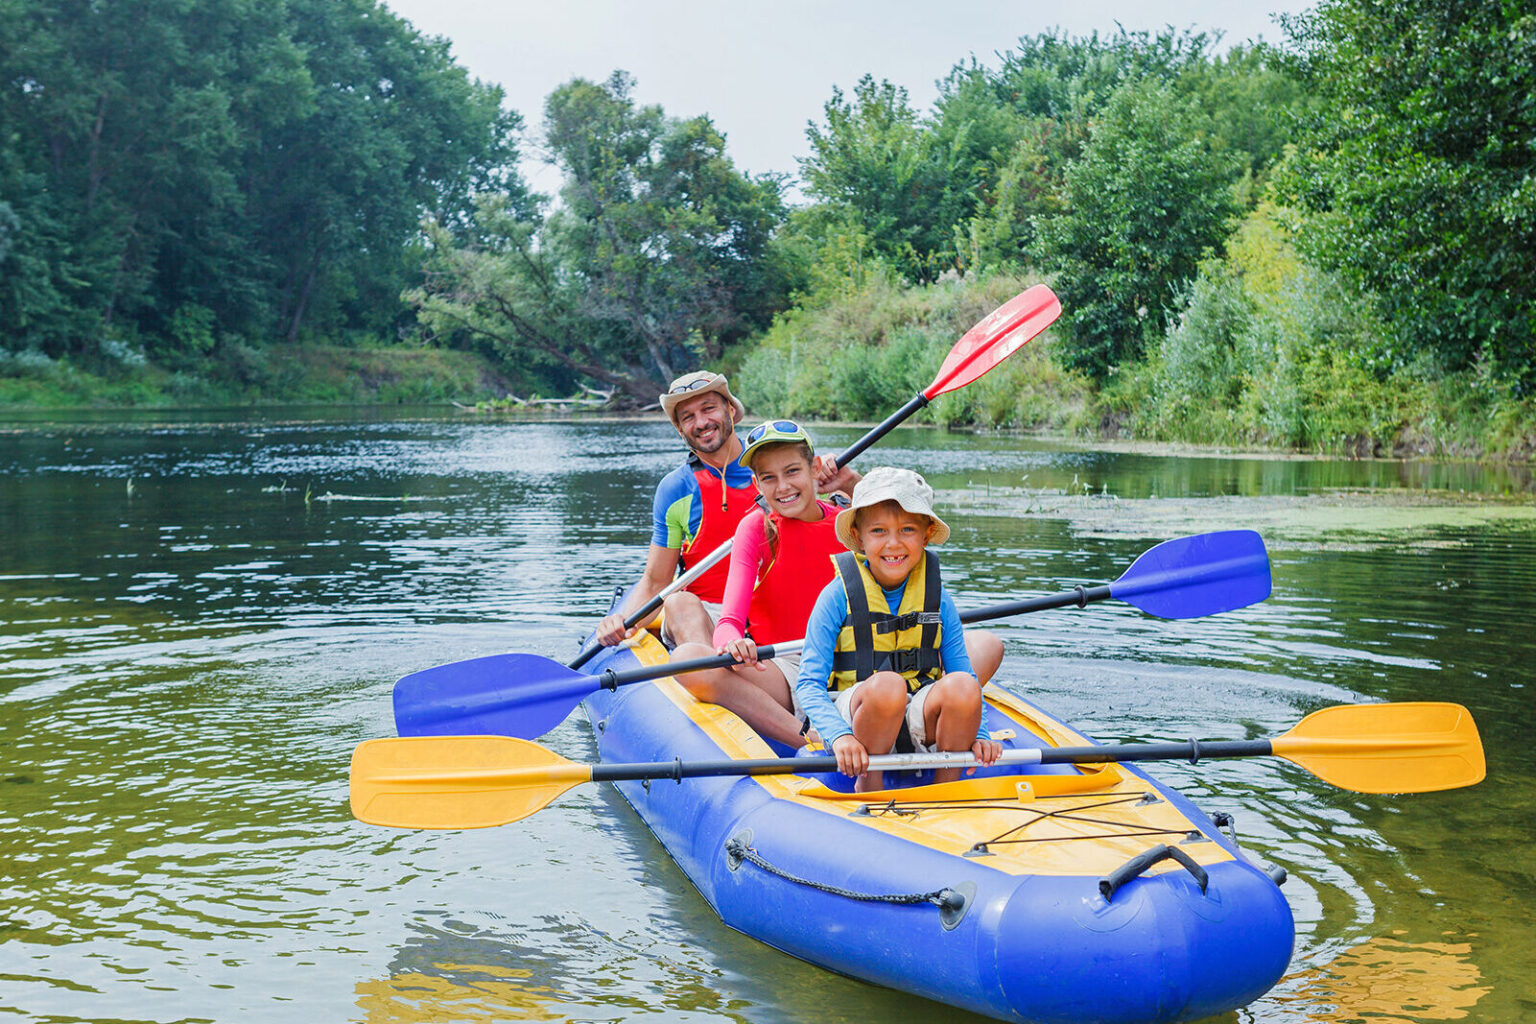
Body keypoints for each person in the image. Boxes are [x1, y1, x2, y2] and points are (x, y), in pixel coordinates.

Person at [594, 371, 854, 651]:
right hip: (709, 612)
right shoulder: (676, 489)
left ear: (730, 410)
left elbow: (856, 523)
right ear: (680, 429)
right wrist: (622, 621)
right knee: (679, 603)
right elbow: (657, 581)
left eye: (708, 408)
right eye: (688, 417)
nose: (701, 423)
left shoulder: (777, 467)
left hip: (779, 609)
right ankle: (711, 669)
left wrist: (850, 483)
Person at [795, 467, 1002, 792]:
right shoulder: (836, 595)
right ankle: (870, 784)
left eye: (907, 530)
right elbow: (809, 684)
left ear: (926, 535)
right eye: (878, 531)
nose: (893, 544)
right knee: (888, 686)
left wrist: (980, 734)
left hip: (917, 712)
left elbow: (964, 673)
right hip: (857, 715)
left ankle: (944, 789)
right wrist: (839, 735)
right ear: (859, 537)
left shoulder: (938, 598)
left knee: (963, 686)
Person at [667, 420, 853, 748]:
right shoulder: (756, 527)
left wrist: (854, 482)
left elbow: (905, 531)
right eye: (768, 477)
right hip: (787, 668)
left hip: (852, 665)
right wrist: (732, 643)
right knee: (688, 659)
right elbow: (729, 621)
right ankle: (807, 739)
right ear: (756, 483)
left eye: (792, 471)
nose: (782, 487)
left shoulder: (849, 521)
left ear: (815, 468)